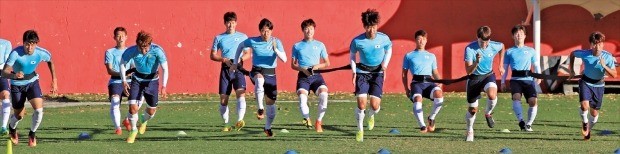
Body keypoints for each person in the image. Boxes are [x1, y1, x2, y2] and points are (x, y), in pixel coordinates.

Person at [2, 30, 58, 147]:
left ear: (36, 44)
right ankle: (12, 129)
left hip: (32, 82)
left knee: (38, 110)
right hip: (17, 85)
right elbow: (4, 73)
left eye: (33, 44)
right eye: (27, 44)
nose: (30, 47)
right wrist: (14, 75)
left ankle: (32, 134)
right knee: (19, 115)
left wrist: (54, 80)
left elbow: (50, 61)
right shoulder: (15, 53)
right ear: (23, 43)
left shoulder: (41, 52)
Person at [234, 18, 286, 137]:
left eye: (267, 31)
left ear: (271, 31)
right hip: (256, 71)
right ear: (260, 31)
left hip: (271, 74)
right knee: (259, 79)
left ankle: (267, 127)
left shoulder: (276, 42)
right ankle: (260, 108)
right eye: (263, 31)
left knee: (271, 107)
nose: (265, 34)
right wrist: (236, 62)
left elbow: (284, 59)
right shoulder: (253, 41)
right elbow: (240, 46)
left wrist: (275, 49)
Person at [350, 9, 392, 142]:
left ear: (377, 26)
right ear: (364, 26)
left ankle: (371, 115)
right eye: (368, 27)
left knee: (374, 106)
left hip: (377, 74)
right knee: (361, 104)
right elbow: (352, 55)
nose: (371, 30)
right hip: (362, 74)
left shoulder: (384, 38)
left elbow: (389, 49)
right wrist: (354, 71)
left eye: (373, 27)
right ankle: (360, 130)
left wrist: (385, 65)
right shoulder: (357, 41)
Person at [120, 31, 169, 143]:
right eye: (140, 48)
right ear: (137, 44)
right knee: (133, 108)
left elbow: (165, 68)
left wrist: (164, 86)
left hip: (152, 81)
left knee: (151, 111)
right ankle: (133, 130)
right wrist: (123, 81)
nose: (143, 51)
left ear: (150, 45)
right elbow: (122, 63)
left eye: (145, 48)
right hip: (137, 80)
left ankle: (143, 120)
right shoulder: (131, 51)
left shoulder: (157, 50)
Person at [569, 31, 617, 140]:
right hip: (585, 82)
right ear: (591, 44)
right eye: (595, 44)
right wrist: (571, 70)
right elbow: (572, 54)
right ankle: (585, 122)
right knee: (584, 105)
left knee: (594, 114)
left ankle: (588, 130)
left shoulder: (608, 57)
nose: (597, 47)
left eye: (599, 44)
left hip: (599, 85)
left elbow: (614, 74)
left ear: (603, 44)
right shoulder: (585, 53)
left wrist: (604, 66)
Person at [463, 26, 505, 141]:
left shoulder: (493, 45)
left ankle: (488, 113)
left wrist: (500, 64)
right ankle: (470, 130)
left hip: (488, 75)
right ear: (477, 38)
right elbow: (468, 71)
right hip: (474, 78)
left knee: (492, 95)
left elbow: (502, 47)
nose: (484, 45)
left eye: (486, 42)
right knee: (472, 110)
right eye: (482, 42)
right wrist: (476, 62)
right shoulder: (470, 49)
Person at [211, 12, 249, 132]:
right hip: (226, 69)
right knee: (223, 100)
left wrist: (240, 60)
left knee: (241, 94)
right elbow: (212, 55)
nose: (230, 25)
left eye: (233, 22)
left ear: (236, 23)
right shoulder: (219, 38)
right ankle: (226, 124)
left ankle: (239, 120)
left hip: (238, 68)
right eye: (228, 22)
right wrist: (223, 59)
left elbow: (248, 53)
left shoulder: (243, 37)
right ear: (225, 23)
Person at [291, 19, 330, 132]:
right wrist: (302, 69)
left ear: (314, 30)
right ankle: (307, 119)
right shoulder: (297, 46)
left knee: (324, 95)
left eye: (311, 28)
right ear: (303, 30)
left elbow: (327, 63)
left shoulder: (320, 45)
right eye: (307, 29)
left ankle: (319, 121)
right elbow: (293, 65)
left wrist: (317, 67)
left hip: (317, 76)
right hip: (303, 77)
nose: (309, 31)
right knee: (302, 98)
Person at [104, 27, 145, 135]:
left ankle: (127, 119)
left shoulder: (130, 51)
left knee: (141, 98)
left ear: (126, 37)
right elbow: (110, 70)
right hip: (116, 81)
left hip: (130, 81)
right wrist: (123, 74)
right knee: (115, 101)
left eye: (123, 35)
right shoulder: (110, 52)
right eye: (118, 35)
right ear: (114, 37)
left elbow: (133, 67)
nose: (120, 38)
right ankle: (118, 128)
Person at [401, 30, 444, 133]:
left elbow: (435, 72)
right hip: (416, 83)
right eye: (419, 39)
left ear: (426, 41)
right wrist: (406, 89)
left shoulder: (431, 56)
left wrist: (440, 81)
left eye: (423, 39)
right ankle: (422, 126)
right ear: (415, 40)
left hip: (429, 82)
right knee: (417, 100)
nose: (421, 41)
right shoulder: (409, 55)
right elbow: (404, 74)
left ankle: (431, 118)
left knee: (439, 94)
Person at [501, 25, 541, 132]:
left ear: (525, 36)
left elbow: (536, 65)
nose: (519, 36)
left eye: (521, 34)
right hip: (515, 80)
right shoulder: (509, 52)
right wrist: (503, 82)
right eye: (517, 34)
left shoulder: (531, 51)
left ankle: (528, 124)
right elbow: (504, 68)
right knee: (516, 97)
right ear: (513, 36)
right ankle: (521, 121)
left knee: (533, 101)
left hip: (528, 80)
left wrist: (539, 76)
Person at [0, 37, 12, 135]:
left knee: (5, 94)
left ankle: (3, 127)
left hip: (1, 72)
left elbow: (8, 61)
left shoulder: (6, 43)